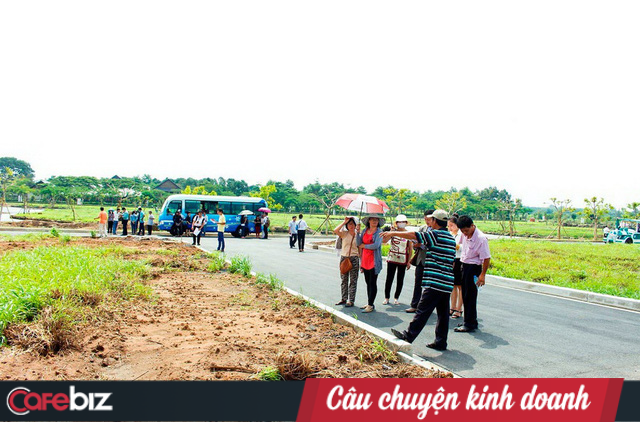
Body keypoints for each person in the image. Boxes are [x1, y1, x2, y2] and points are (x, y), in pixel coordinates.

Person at [385, 210, 456, 351]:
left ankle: (408, 335)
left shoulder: (435, 235)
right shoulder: (450, 237)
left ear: (435, 221)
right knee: (442, 315)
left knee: (422, 310)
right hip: (446, 281)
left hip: (435, 280)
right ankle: (441, 341)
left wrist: (393, 233)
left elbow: (414, 235)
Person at [455, 215, 491, 333]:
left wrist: (482, 275)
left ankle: (469, 324)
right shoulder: (464, 235)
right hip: (464, 265)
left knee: (470, 296)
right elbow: (458, 244)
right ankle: (469, 321)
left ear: (472, 226)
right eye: (462, 231)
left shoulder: (481, 238)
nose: (465, 233)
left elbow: (486, 258)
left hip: (473, 268)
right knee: (465, 295)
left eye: (466, 230)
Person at [406, 209, 434, 313]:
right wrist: (416, 245)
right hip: (420, 260)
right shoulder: (422, 228)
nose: (427, 221)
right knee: (418, 283)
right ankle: (414, 305)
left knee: (429, 286)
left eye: (429, 219)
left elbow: (433, 245)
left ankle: (426, 307)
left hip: (431, 261)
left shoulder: (436, 231)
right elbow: (415, 242)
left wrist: (422, 245)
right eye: (426, 219)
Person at [383, 214, 413, 305]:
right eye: (399, 222)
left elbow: (410, 248)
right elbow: (384, 241)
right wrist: (391, 232)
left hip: (403, 259)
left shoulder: (408, 234)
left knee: (400, 279)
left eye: (403, 222)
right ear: (396, 223)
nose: (401, 223)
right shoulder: (393, 233)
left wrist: (409, 261)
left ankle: (396, 297)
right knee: (389, 278)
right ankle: (387, 297)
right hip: (392, 257)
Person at [357, 215, 384, 313]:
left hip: (374, 261)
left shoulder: (379, 232)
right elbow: (359, 243)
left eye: (376, 220)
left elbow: (376, 245)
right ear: (368, 221)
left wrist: (365, 245)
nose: (374, 221)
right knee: (368, 282)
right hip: (365, 259)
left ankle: (370, 304)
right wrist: (357, 232)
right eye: (372, 220)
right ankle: (370, 303)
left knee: (373, 282)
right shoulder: (364, 231)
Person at [333, 216, 360, 307]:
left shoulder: (358, 235)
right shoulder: (344, 234)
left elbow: (361, 248)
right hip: (344, 258)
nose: (351, 226)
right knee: (344, 279)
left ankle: (351, 300)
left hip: (354, 258)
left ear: (355, 225)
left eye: (352, 224)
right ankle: (343, 298)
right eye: (349, 224)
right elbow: (335, 230)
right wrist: (344, 222)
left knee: (353, 280)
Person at [448, 216, 464, 319]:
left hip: (460, 260)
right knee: (452, 285)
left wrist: (454, 245)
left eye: (452, 225)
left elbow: (462, 247)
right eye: (449, 226)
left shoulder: (462, 234)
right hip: (451, 260)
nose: (450, 228)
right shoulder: (450, 234)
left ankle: (459, 308)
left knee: (460, 286)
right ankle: (452, 307)